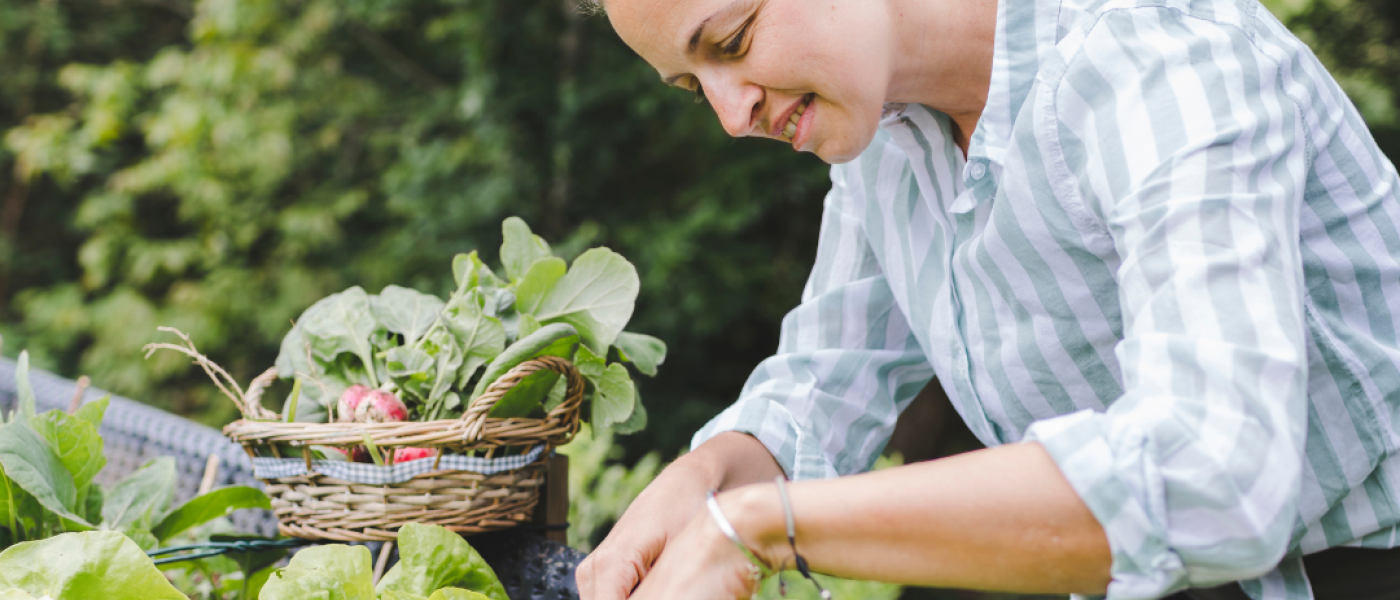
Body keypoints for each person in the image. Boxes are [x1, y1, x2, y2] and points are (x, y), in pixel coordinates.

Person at [575, 0, 1400, 597]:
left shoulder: (1161, 63)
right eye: (693, 85)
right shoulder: (884, 144)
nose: (731, 113)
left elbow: (1214, 477)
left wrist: (766, 525)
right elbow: (820, 387)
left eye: (733, 39)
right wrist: (708, 476)